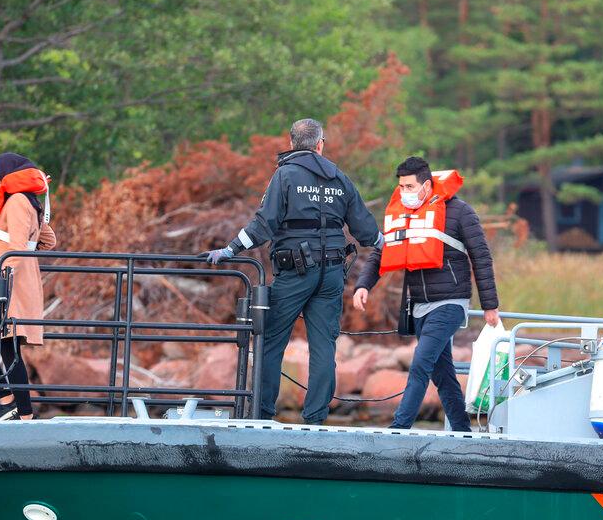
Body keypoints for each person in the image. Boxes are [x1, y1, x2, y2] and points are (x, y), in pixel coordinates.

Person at [203, 118, 382, 424]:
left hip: (295, 273)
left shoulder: (285, 175)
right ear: (320, 145)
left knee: (271, 341)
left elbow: (264, 224)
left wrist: (230, 249)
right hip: (332, 274)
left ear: (291, 143)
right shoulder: (340, 178)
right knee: (324, 347)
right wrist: (386, 243)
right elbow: (366, 230)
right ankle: (315, 420)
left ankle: (262, 416)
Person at [353, 156, 499, 432]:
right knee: (443, 375)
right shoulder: (403, 214)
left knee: (420, 364)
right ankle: (463, 433)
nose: (404, 193)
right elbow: (381, 252)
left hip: (450, 303)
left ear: (427, 185)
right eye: (401, 187)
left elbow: (481, 257)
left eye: (409, 187)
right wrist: (363, 285)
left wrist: (489, 305)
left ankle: (398, 430)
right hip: (419, 306)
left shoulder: (460, 212)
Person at [0, 152, 56, 420]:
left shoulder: (16, 202)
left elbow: (16, 247)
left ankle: (17, 408)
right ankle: (15, 406)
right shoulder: (29, 202)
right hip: (11, 286)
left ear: (7, 173)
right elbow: (49, 241)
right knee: (1, 347)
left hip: (7, 289)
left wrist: (3, 278)